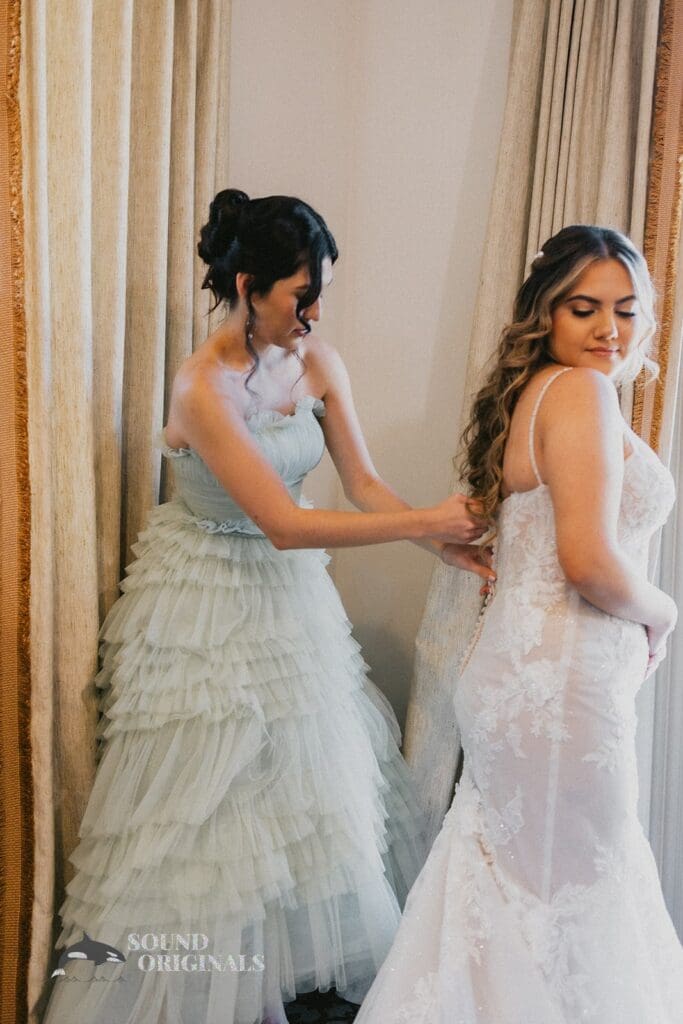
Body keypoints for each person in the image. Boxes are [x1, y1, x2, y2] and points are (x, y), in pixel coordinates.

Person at [42, 190, 492, 1024]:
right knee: (208, 809)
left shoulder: (317, 361)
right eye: (298, 297)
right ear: (247, 285)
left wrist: (444, 546)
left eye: (319, 294)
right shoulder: (201, 388)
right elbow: (283, 525)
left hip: (290, 603)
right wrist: (428, 520)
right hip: (204, 598)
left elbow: (361, 486)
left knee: (311, 796)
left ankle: (299, 983)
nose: (312, 315)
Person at [354, 224, 683, 1024]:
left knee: (511, 891)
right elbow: (588, 562)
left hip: (527, 678)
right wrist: (664, 610)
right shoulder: (579, 392)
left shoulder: (539, 389)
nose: (610, 328)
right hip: (558, 688)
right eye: (584, 308)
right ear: (546, 312)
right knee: (575, 894)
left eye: (627, 310)